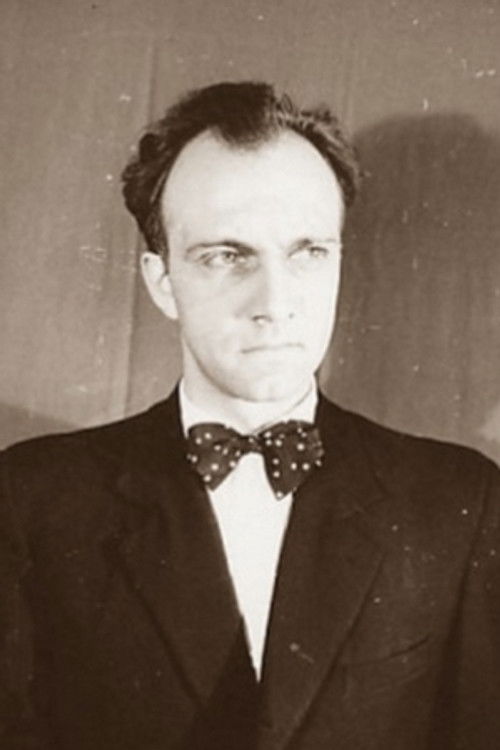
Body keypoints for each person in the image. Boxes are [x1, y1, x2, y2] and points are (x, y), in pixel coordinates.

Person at [1, 81, 499, 750]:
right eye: (227, 257)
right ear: (162, 281)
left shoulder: (459, 501)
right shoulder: (31, 499)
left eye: (308, 252)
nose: (274, 302)